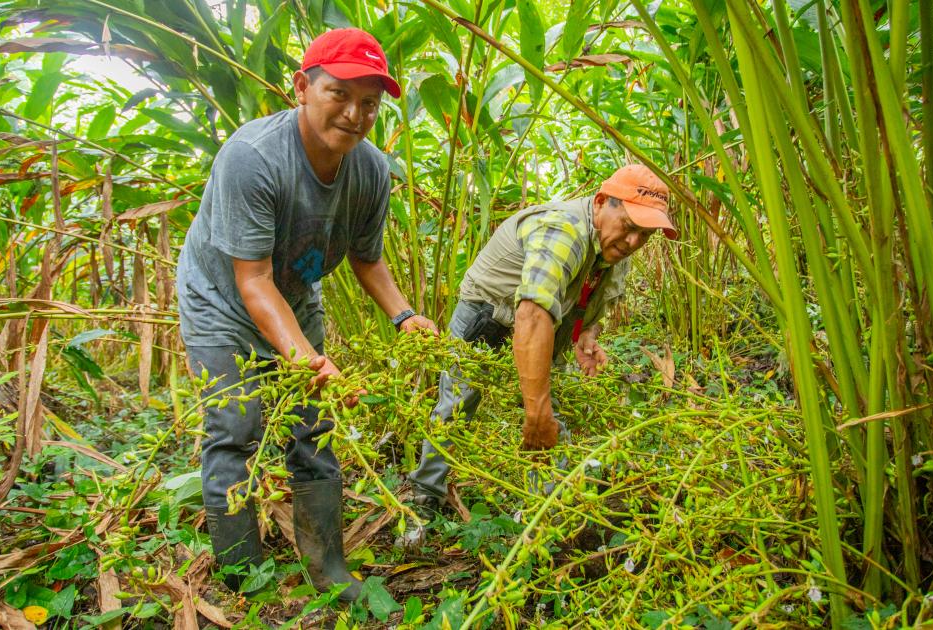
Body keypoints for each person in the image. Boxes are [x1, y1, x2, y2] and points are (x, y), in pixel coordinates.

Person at [176, 27, 436, 601]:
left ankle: (329, 568)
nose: (354, 113)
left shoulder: (370, 171)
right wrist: (312, 361)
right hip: (220, 300)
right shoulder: (253, 158)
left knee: (314, 429)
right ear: (302, 87)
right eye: (338, 94)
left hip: (293, 294)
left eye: (369, 103)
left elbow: (368, 260)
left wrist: (405, 317)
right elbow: (252, 280)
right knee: (234, 428)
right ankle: (244, 578)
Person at [396, 165, 677, 549]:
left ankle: (544, 511)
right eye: (628, 225)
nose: (632, 241)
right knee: (458, 405)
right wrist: (536, 412)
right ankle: (426, 497)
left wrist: (587, 337)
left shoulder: (615, 247)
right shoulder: (564, 230)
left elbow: (594, 297)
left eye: (643, 234)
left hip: (546, 322)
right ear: (600, 203)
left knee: (552, 410)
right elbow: (531, 317)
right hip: (489, 313)